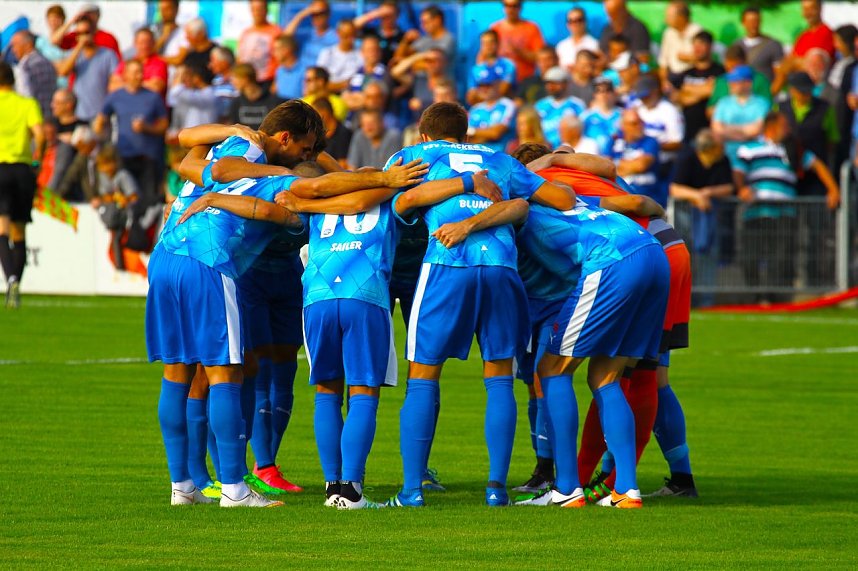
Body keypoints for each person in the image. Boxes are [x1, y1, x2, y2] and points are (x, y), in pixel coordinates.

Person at [148, 102, 426, 508]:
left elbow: (191, 148)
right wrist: (384, 177)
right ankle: (234, 489)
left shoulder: (228, 148)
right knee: (225, 373)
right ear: (284, 139)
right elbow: (312, 189)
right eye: (305, 149)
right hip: (208, 261)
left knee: (177, 372)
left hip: (165, 255)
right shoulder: (263, 166)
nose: (305, 159)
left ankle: (183, 487)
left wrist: (215, 188)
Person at [383, 101, 576, 509]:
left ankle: (412, 490)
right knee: (499, 376)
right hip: (503, 267)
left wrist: (459, 188)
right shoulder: (501, 160)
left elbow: (399, 202)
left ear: (423, 134)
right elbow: (561, 199)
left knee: (423, 374)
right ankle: (495, 489)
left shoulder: (413, 156)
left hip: (446, 265)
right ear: (467, 134)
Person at [508, 153, 670, 510]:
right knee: (606, 377)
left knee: (551, 369)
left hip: (611, 260)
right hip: (652, 253)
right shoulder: (575, 199)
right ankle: (626, 490)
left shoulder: (517, 210)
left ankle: (567, 487)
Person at [734, 111, 839, 302]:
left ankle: (773, 298)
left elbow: (818, 166)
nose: (788, 129)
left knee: (781, 257)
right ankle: (757, 295)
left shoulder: (794, 150)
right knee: (749, 256)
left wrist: (833, 189)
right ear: (771, 126)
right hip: (756, 211)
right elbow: (738, 171)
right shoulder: (749, 148)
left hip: (784, 212)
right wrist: (742, 189)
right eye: (785, 125)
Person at [669, 129, 734, 307]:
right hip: (685, 214)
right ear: (708, 148)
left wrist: (708, 192)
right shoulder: (687, 157)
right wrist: (697, 196)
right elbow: (675, 189)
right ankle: (684, 300)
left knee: (708, 254)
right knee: (685, 255)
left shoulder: (723, 161)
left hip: (711, 215)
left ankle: (706, 300)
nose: (723, 150)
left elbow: (728, 187)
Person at [0, 62, 43, 309]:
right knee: (19, 231)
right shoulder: (26, 104)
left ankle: (10, 279)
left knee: (1, 228)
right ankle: (17, 281)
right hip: (22, 168)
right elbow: (40, 135)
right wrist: (36, 160)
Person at [94, 59, 168, 203]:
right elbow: (101, 119)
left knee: (148, 198)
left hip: (148, 157)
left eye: (141, 72)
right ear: (125, 75)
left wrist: (147, 128)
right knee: (129, 196)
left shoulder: (153, 97)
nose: (139, 76)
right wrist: (101, 135)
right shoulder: (115, 96)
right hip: (124, 155)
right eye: (135, 73)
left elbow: (164, 125)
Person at [57, 17, 118, 122]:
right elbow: (63, 72)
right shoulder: (74, 54)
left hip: (100, 115)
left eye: (86, 32)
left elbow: (115, 84)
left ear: (94, 32)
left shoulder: (108, 55)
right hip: (78, 115)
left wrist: (105, 112)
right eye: (79, 33)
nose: (83, 37)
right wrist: (79, 47)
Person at [711, 65, 771, 164]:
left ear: (748, 83)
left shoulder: (762, 104)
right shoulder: (723, 103)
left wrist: (727, 128)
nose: (730, 84)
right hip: (726, 155)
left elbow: (757, 130)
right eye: (730, 81)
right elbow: (716, 130)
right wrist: (745, 132)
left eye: (735, 81)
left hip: (754, 155)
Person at [676, 31, 724, 142]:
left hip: (710, 130)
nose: (697, 48)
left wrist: (689, 89)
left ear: (710, 46)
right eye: (695, 45)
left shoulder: (720, 71)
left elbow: (714, 91)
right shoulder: (686, 73)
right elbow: (679, 97)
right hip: (688, 131)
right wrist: (703, 90)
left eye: (701, 44)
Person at [612, 108, 663, 204]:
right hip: (620, 197)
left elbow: (641, 166)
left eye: (641, 122)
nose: (639, 126)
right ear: (623, 126)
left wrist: (618, 165)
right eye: (634, 123)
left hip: (648, 197)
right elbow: (607, 167)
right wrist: (631, 165)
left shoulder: (650, 141)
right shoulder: (613, 141)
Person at [490, 0, 545, 84]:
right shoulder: (495, 28)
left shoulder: (531, 28)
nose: (511, 9)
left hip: (524, 81)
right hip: (499, 82)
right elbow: (485, 55)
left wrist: (518, 51)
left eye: (514, 6)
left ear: (520, 7)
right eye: (507, 5)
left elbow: (539, 57)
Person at [707, 45, 772, 112]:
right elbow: (710, 109)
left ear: (745, 62)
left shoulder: (760, 80)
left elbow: (767, 108)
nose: (732, 72)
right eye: (728, 68)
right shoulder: (722, 80)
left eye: (735, 67)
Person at [534, 67, 586, 149]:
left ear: (566, 84)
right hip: (544, 150)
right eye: (548, 83)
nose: (551, 86)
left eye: (555, 83)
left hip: (569, 151)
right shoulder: (540, 105)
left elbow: (582, 130)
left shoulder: (577, 105)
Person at [467, 69, 517, 153]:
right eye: (480, 85)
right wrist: (486, 133)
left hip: (500, 154)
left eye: (487, 85)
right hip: (478, 154)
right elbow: (468, 139)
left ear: (498, 84)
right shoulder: (475, 109)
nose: (483, 89)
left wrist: (473, 131)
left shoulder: (507, 105)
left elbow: (495, 133)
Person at [392, 48, 452, 118]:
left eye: (435, 60)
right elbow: (395, 72)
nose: (431, 63)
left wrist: (423, 104)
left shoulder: (449, 83)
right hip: (418, 125)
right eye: (428, 60)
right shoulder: (419, 79)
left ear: (444, 62)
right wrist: (418, 56)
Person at [10, 31, 57, 119]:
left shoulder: (31, 64)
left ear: (28, 44)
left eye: (15, 45)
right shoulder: (42, 60)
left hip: (38, 117)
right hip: (44, 116)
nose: (13, 50)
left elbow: (27, 94)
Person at [110, 28, 167, 97]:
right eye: (141, 42)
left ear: (154, 43)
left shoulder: (159, 63)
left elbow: (156, 87)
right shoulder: (126, 63)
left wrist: (129, 84)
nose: (144, 46)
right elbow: (113, 86)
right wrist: (143, 84)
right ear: (135, 43)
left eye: (147, 42)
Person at [51, 3, 121, 60]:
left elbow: (117, 62)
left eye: (92, 14)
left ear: (98, 15)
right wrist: (72, 21)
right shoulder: (75, 35)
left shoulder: (108, 38)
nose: (89, 17)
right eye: (86, 14)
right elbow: (54, 41)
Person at [658, 1, 702, 90]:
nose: (665, 20)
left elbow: (703, 60)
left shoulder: (697, 32)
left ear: (681, 17)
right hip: (672, 77)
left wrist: (688, 58)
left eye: (669, 17)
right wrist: (663, 81)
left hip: (692, 78)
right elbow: (663, 63)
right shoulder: (668, 33)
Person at [733, 7, 784, 83]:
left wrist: (771, 92)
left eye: (756, 21)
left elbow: (780, 74)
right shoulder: (736, 45)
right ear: (743, 23)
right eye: (750, 21)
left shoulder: (773, 45)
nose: (753, 25)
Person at [284, 0, 339, 69]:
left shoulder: (336, 37)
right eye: (313, 14)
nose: (317, 17)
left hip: (320, 76)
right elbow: (285, 38)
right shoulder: (307, 34)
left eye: (320, 14)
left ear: (328, 14)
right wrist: (302, 14)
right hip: (302, 75)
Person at [467, 30, 517, 106]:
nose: (488, 46)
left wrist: (481, 95)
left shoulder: (508, 65)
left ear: (498, 44)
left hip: (503, 108)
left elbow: (502, 91)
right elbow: (471, 98)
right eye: (484, 43)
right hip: (482, 110)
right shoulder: (476, 69)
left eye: (491, 42)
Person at [167, 64, 218, 138]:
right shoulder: (196, 93)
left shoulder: (210, 94)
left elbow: (175, 93)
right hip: (194, 137)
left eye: (188, 76)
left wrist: (180, 75)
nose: (185, 80)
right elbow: (172, 100)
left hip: (204, 138)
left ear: (197, 78)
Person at [228, 64, 283, 131]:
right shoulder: (236, 103)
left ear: (245, 78)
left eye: (235, 77)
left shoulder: (274, 101)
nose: (232, 82)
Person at [238, 0, 281, 85]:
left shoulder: (276, 31)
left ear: (266, 10)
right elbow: (240, 58)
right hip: (247, 82)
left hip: (266, 82)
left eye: (260, 9)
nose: (257, 13)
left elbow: (281, 60)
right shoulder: (246, 32)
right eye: (254, 9)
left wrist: (276, 82)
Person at [165, 18, 217, 84]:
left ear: (201, 34)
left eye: (189, 34)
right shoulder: (189, 55)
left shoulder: (215, 53)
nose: (187, 37)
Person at [316, 20, 363, 93]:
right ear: (338, 33)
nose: (351, 39)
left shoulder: (361, 54)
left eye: (353, 35)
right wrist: (345, 84)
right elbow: (319, 83)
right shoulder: (327, 53)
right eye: (346, 35)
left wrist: (330, 85)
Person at [353, 1, 405, 65]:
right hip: (373, 73)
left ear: (397, 15)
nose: (387, 18)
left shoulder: (403, 36)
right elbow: (352, 27)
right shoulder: (372, 33)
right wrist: (375, 14)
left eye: (390, 15)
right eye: (384, 15)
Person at [581, 77, 622, 155]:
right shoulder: (585, 117)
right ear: (594, 94)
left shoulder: (623, 115)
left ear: (614, 92)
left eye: (608, 90)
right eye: (599, 91)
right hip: (594, 161)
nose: (604, 94)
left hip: (618, 161)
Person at [35, 4, 71, 89]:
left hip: (66, 85)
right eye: (50, 19)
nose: (53, 22)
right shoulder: (42, 41)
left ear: (63, 20)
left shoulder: (70, 40)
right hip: (47, 83)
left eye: (56, 18)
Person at [312, 97, 351, 169]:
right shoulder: (317, 133)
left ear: (324, 113)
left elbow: (343, 164)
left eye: (315, 114)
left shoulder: (343, 133)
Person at [271, 35, 306, 101]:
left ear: (286, 50)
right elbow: (274, 91)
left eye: (276, 49)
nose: (274, 53)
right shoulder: (279, 70)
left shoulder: (305, 70)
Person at [209, 46, 239, 123]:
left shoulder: (238, 79)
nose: (210, 65)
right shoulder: (216, 80)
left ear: (224, 62)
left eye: (213, 61)